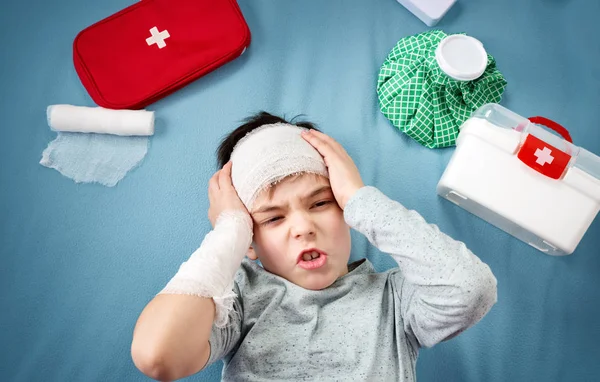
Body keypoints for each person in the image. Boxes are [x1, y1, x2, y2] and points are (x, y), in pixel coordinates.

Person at [131, 112, 498, 381]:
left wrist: (360, 198)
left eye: (321, 203)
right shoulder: (238, 297)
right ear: (249, 241)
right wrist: (228, 233)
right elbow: (157, 355)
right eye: (273, 219)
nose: (303, 228)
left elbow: (470, 289)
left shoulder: (395, 299)